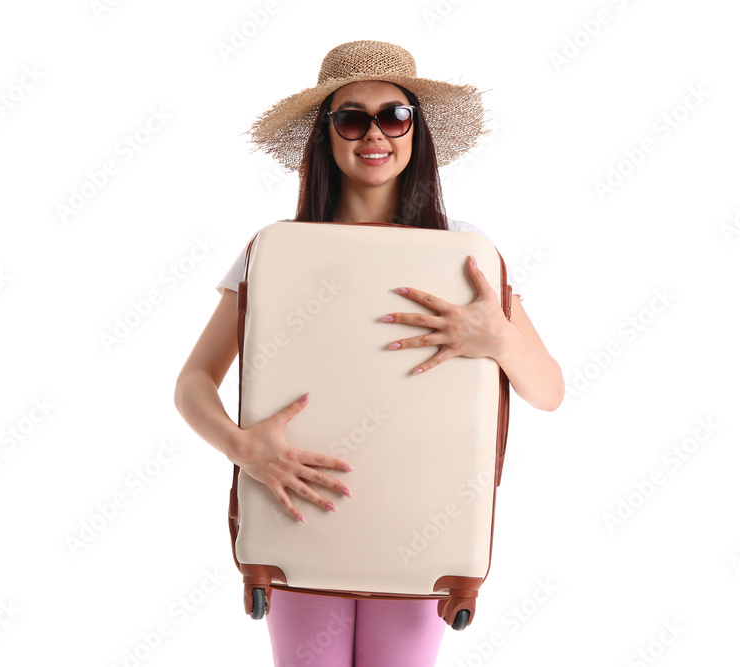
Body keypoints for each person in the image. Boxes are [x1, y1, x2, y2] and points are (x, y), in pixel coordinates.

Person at [174, 39, 564, 667]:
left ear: (417, 131)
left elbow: (548, 389)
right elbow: (193, 380)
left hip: (422, 520)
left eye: (395, 116)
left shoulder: (462, 248)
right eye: (352, 118)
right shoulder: (276, 252)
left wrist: (496, 338)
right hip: (296, 509)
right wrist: (240, 445)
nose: (374, 134)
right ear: (326, 136)